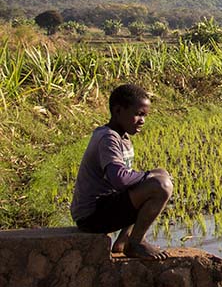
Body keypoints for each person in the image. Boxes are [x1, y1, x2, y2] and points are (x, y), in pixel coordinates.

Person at [70, 84, 174, 259]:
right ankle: (136, 243)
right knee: (160, 185)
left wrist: (153, 174)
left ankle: (123, 241)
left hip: (103, 207)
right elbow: (120, 179)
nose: (142, 120)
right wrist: (149, 176)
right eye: (138, 114)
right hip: (92, 215)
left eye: (145, 115)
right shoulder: (108, 138)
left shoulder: (122, 137)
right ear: (118, 111)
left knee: (159, 175)